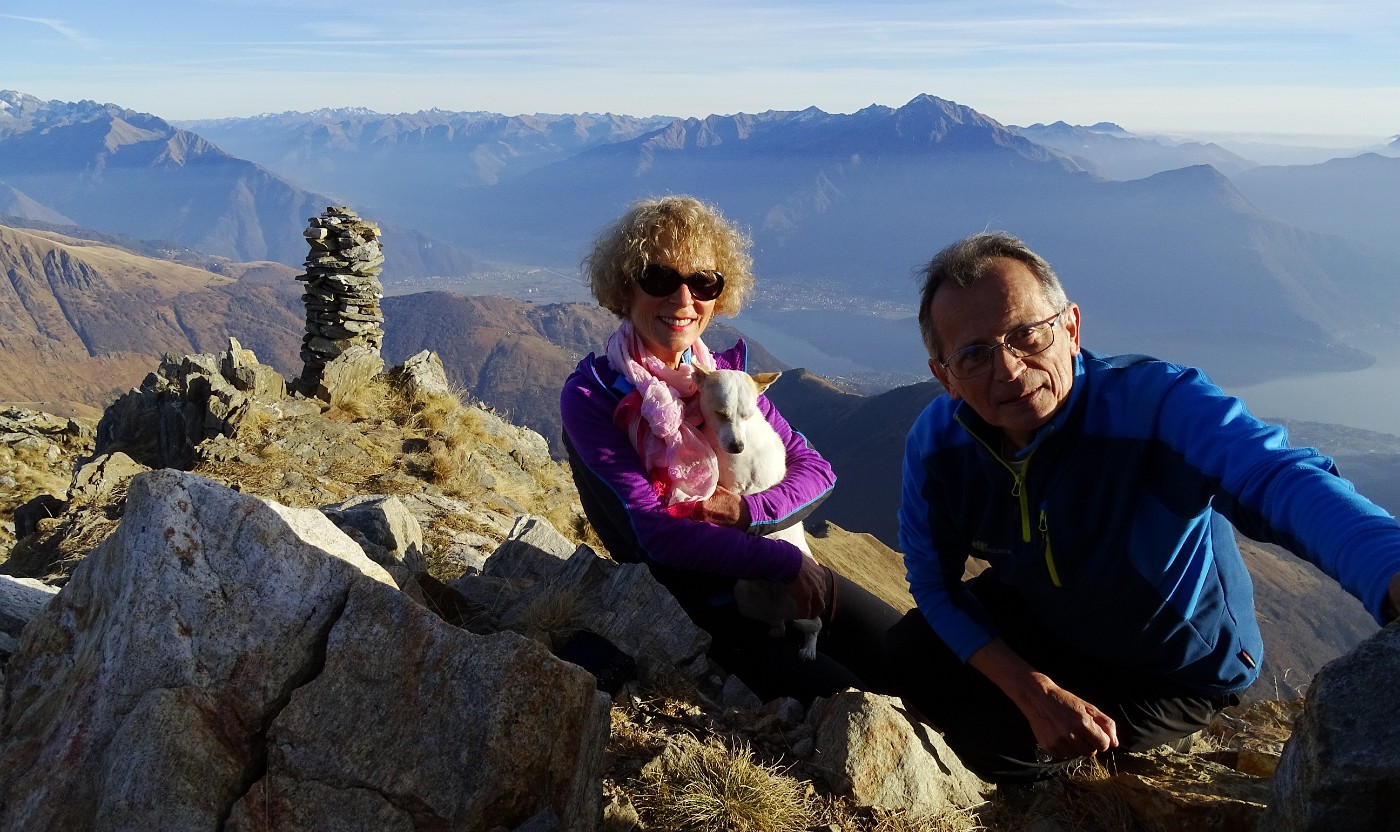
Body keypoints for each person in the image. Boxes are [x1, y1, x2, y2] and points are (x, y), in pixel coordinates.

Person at [890, 231, 1400, 782]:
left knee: (992, 743)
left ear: (1071, 327)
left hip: (1171, 668)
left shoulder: (1158, 406)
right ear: (945, 377)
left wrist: (1387, 568)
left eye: (1027, 335)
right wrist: (1028, 686)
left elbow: (1278, 477)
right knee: (909, 652)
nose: (1009, 369)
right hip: (1048, 618)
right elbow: (934, 582)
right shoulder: (938, 445)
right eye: (974, 354)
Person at [560, 195, 898, 702]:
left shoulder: (725, 380)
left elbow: (816, 470)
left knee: (909, 655)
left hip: (775, 564)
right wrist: (781, 563)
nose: (682, 298)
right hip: (704, 610)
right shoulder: (593, 395)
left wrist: (748, 513)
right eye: (657, 278)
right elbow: (656, 535)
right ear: (623, 287)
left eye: (703, 282)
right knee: (848, 697)